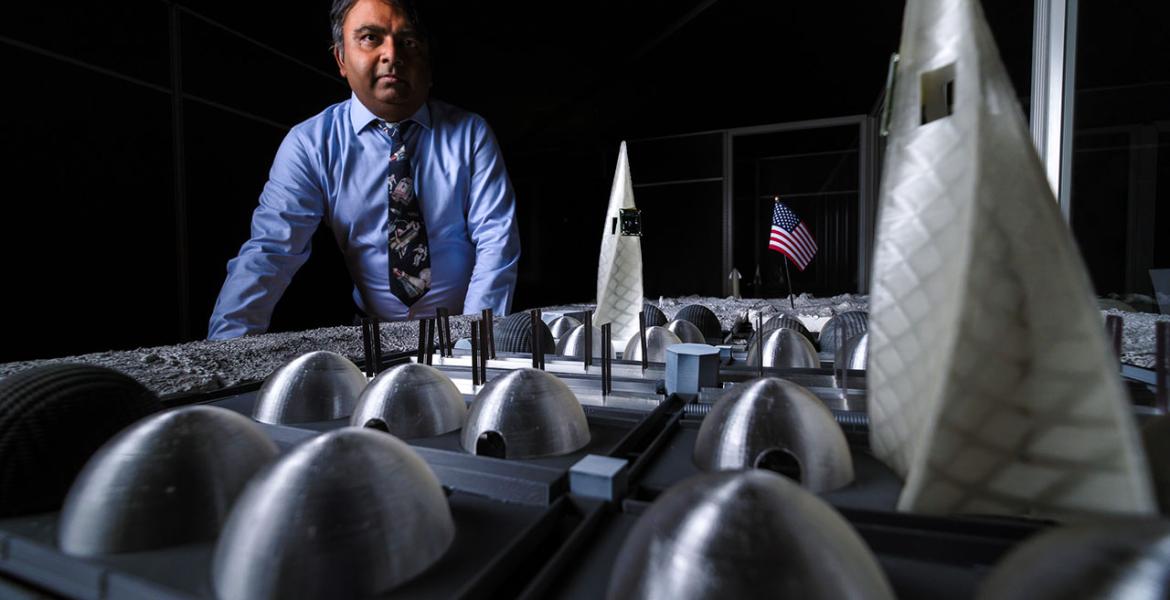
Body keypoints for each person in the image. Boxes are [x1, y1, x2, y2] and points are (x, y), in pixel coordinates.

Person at [208, 0, 520, 340]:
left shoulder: (470, 134)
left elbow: (496, 242)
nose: (392, 55)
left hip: (460, 330)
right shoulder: (311, 145)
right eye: (371, 37)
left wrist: (472, 348)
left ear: (427, 61)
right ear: (341, 58)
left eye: (409, 42)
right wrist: (222, 353)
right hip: (370, 339)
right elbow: (270, 252)